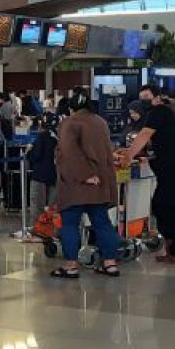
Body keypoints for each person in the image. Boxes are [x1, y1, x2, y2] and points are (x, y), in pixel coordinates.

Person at [51, 88, 122, 277]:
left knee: (70, 224)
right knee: (102, 223)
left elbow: (68, 152)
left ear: (71, 109)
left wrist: (84, 175)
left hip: (76, 183)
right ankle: (110, 263)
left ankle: (71, 265)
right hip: (100, 182)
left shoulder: (69, 123)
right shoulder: (100, 122)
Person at [120, 84, 175, 263]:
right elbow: (157, 142)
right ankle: (173, 249)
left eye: (147, 98)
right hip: (172, 169)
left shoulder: (160, 112)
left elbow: (144, 136)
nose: (144, 102)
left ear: (157, 97)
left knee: (168, 206)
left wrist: (129, 156)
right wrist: (139, 154)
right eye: (141, 98)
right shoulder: (157, 113)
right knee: (165, 206)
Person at [26, 112, 58, 221]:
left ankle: (37, 230)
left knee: (37, 206)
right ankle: (52, 230)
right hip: (54, 176)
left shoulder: (41, 137)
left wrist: (29, 152)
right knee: (53, 207)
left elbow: (36, 156)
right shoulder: (58, 138)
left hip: (39, 175)